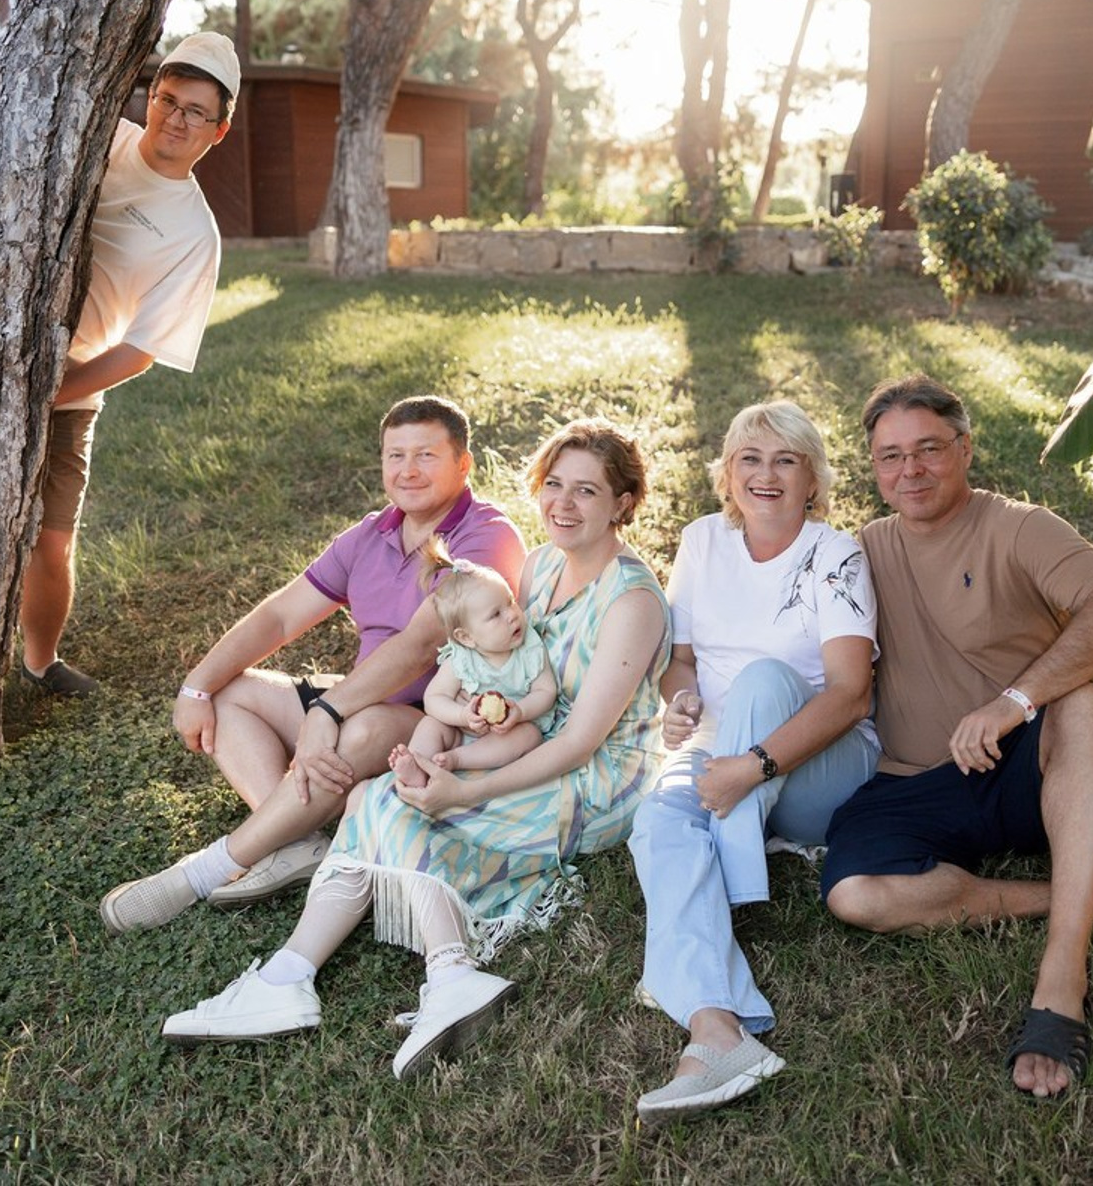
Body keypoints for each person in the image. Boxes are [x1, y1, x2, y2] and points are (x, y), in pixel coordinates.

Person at [158, 418, 671, 1081]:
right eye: (554, 485)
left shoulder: (631, 600)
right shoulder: (544, 566)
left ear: (623, 503)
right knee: (372, 795)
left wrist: (468, 786)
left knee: (397, 807)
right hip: (515, 741)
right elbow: (493, 665)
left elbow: (580, 741)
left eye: (587, 491)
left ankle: (408, 974)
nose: (563, 504)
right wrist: (459, 724)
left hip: (595, 777)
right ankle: (302, 978)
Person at [821, 373, 1093, 1099]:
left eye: (929, 449)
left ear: (965, 449)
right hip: (912, 781)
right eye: (891, 456)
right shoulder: (859, 552)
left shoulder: (1018, 525)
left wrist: (1014, 702)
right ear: (874, 469)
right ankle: (1076, 892)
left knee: (1085, 708)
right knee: (857, 898)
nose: (910, 469)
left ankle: (1061, 979)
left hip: (1025, 763)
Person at [0, 0, 242, 697]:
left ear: (219, 129)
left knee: (51, 541)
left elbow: (140, 350)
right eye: (168, 100)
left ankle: (40, 663)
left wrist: (45, 395)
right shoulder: (97, 137)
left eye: (197, 113)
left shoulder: (194, 235)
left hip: (68, 389)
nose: (176, 120)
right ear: (151, 96)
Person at [99, 396, 525, 933]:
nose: (408, 470)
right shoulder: (371, 533)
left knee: (363, 727)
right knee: (230, 694)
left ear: (464, 465)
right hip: (357, 700)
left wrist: (327, 711)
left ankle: (206, 870)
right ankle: (294, 841)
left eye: (426, 455)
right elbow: (280, 616)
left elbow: (420, 645)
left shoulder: (484, 534)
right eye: (395, 456)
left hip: (437, 717)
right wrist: (197, 685)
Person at [627, 401, 880, 1124]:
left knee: (765, 680)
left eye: (785, 460)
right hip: (719, 755)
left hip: (820, 768)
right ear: (728, 473)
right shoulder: (702, 540)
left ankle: (724, 882)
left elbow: (852, 695)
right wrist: (680, 701)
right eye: (750, 458)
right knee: (657, 821)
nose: (766, 475)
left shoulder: (835, 555)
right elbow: (679, 663)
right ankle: (717, 1032)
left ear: (812, 480)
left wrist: (752, 767)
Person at [387, 539, 558, 789]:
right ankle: (417, 767)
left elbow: (546, 691)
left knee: (529, 735)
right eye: (496, 614)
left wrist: (520, 712)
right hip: (461, 731)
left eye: (510, 601)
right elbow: (434, 699)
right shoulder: (462, 658)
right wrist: (462, 716)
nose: (512, 615)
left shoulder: (529, 647)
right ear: (466, 637)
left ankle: (456, 760)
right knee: (430, 725)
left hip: (507, 733)